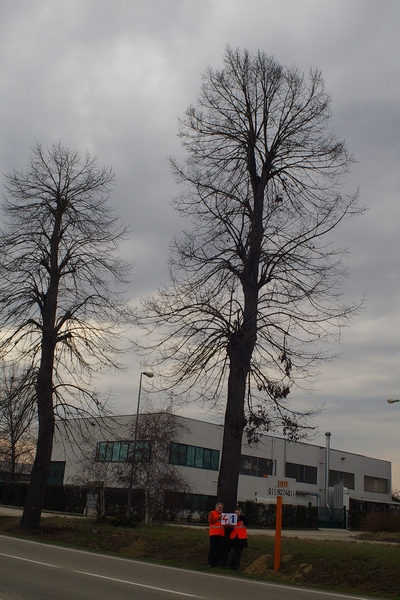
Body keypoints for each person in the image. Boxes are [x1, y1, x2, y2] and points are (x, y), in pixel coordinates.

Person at [207, 501, 225, 567]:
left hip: (221, 534)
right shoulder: (212, 513)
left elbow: (224, 525)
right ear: (216, 507)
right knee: (212, 549)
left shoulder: (224, 515)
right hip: (213, 534)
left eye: (221, 507)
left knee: (219, 550)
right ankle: (210, 563)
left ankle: (216, 563)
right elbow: (211, 521)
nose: (220, 508)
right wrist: (218, 517)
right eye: (219, 507)